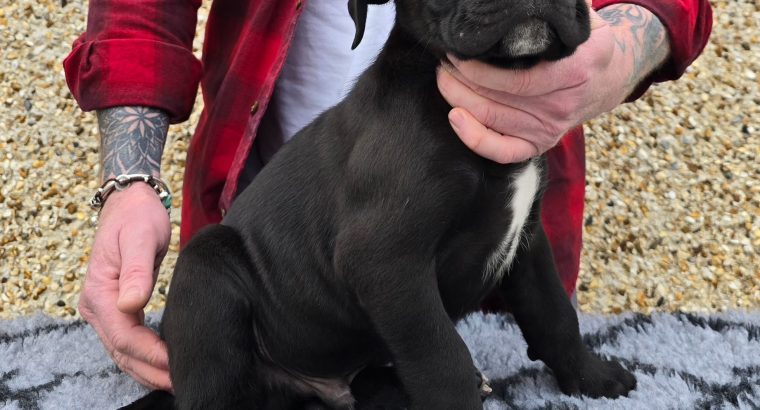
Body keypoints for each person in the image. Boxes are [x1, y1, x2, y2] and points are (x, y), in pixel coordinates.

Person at [63, 0, 712, 392]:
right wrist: (129, 182)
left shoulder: (517, 133)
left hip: (404, 339)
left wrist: (626, 48)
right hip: (277, 296)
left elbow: (521, 240)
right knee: (217, 273)